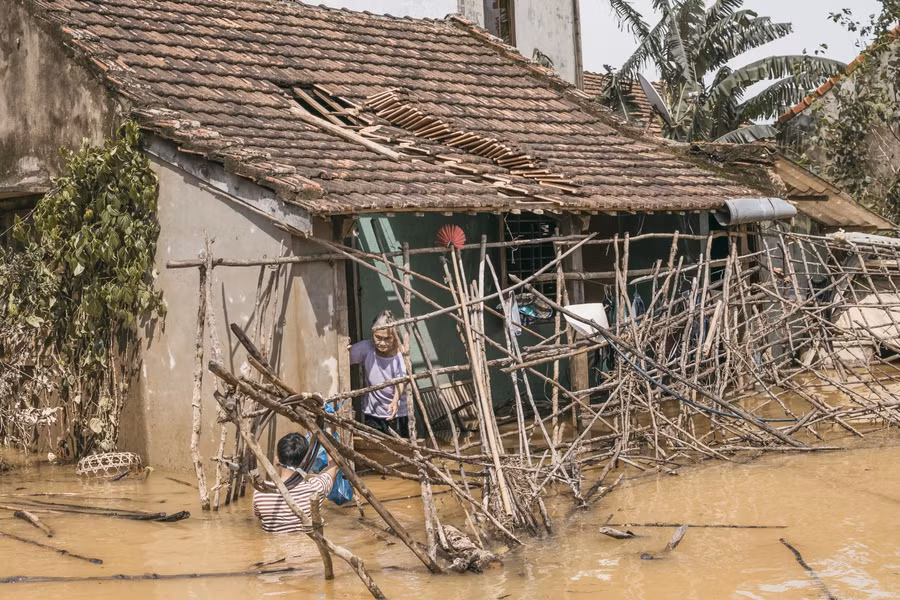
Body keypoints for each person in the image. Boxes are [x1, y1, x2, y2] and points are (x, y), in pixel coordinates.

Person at [253, 432, 338, 534]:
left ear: (276, 460)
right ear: (306, 462)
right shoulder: (316, 487)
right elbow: (334, 465)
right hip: (306, 543)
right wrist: (328, 431)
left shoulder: (261, 492)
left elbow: (259, 517)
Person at [349, 310, 410, 438]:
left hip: (397, 414)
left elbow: (401, 380)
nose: (382, 343)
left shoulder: (401, 355)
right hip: (372, 413)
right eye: (378, 337)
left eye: (387, 338)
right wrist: (345, 347)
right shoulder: (367, 348)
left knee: (400, 448)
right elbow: (344, 357)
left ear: (395, 336)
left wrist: (395, 401)